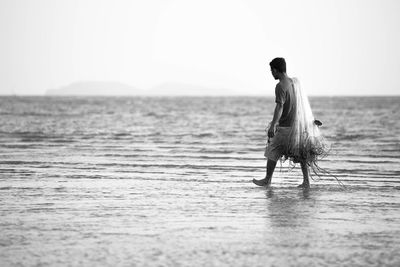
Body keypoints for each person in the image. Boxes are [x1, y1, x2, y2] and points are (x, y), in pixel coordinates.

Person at [253, 57, 328, 188]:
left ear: (276, 70)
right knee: (301, 152)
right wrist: (309, 120)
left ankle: (267, 180)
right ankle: (306, 182)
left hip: (285, 127)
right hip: (298, 126)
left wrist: (273, 125)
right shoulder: (295, 83)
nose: (272, 74)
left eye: (272, 71)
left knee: (272, 150)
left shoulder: (280, 86)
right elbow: (302, 105)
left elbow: (279, 107)